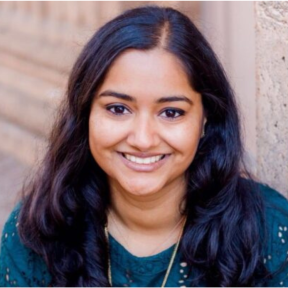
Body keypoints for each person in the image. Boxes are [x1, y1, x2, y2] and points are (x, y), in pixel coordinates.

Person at [0, 5, 288, 287]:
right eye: (117, 108)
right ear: (85, 113)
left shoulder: (268, 232)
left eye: (171, 112)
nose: (143, 139)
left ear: (205, 120)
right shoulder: (40, 233)